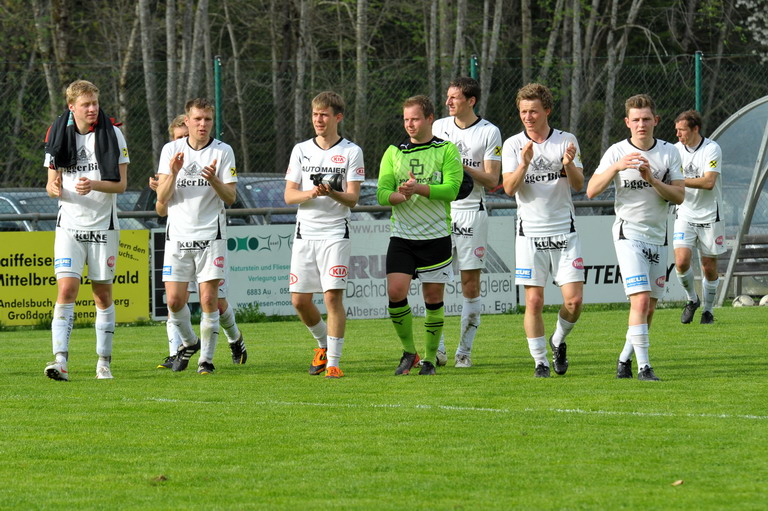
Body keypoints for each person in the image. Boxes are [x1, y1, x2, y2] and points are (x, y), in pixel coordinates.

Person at [587, 94, 684, 381]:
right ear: (627, 122)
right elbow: (591, 190)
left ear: (656, 121)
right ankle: (644, 368)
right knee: (640, 301)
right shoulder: (617, 151)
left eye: (646, 119)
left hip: (658, 236)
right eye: (636, 120)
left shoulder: (669, 152)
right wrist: (616, 167)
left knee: (650, 307)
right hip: (628, 233)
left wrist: (652, 179)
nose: (641, 124)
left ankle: (624, 359)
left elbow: (679, 196)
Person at [43, 79, 130, 381]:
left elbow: (121, 185)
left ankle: (103, 361)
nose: (93, 109)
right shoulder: (57, 132)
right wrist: (54, 188)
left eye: (95, 103)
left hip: (103, 226)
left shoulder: (113, 133)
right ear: (72, 107)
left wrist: (93, 184)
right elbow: (50, 185)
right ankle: (60, 360)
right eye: (86, 104)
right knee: (66, 289)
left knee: (102, 295)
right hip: (69, 224)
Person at [501, 83, 585, 378]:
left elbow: (578, 185)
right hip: (530, 234)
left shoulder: (566, 140)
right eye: (523, 111)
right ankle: (540, 362)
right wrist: (523, 164)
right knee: (534, 301)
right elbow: (509, 188)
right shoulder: (513, 144)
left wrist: (569, 164)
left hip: (564, 231)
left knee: (574, 302)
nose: (528, 117)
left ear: (547, 110)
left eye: (534, 111)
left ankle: (558, 340)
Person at [152, 115, 247, 369]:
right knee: (174, 302)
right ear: (188, 121)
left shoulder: (222, 151)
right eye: (197, 120)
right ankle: (186, 345)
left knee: (213, 302)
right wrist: (172, 174)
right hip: (178, 238)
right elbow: (161, 204)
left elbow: (231, 197)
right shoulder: (170, 152)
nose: (202, 124)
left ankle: (211, 356)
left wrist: (214, 179)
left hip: (210, 238)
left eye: (207, 119)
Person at [377, 95, 463, 376]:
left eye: (415, 119)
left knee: (433, 298)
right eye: (406, 119)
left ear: (429, 119)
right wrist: (399, 196)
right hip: (402, 237)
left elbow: (451, 190)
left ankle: (429, 359)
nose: (409, 124)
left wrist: (419, 189)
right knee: (395, 292)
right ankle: (409, 352)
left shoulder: (446, 150)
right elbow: (381, 193)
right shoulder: (394, 152)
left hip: (436, 236)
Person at [284, 91, 365, 379]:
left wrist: (332, 193)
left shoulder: (352, 151)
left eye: (324, 115)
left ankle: (333, 363)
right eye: (315, 114)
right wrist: (312, 193)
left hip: (335, 232)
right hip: (305, 233)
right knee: (299, 301)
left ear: (337, 117)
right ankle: (322, 344)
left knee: (332, 297)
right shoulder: (301, 149)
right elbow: (289, 195)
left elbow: (353, 198)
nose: (318, 120)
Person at [431, 77, 502, 368]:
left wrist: (459, 166)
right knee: (434, 280)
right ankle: (437, 350)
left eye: (455, 97)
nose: (448, 102)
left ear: (471, 101)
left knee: (469, 283)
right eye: (448, 96)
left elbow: (492, 179)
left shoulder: (489, 132)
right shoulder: (438, 127)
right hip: (440, 211)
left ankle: (464, 352)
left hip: (472, 211)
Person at [672, 110, 724, 325]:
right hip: (685, 212)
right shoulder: (675, 150)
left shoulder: (712, 148)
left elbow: (708, 182)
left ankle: (708, 311)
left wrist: (679, 181)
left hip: (710, 214)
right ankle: (692, 300)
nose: (678, 134)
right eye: (676, 130)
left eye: (682, 130)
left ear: (695, 129)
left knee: (708, 267)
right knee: (681, 261)